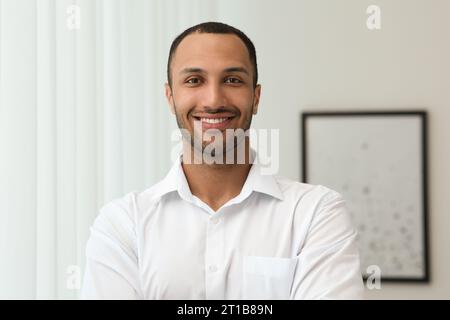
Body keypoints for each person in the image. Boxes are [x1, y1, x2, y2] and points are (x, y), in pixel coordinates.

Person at [81, 21, 364, 300]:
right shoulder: (123, 224)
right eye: (194, 80)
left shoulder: (315, 214)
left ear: (256, 97)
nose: (214, 99)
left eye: (232, 80)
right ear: (170, 97)